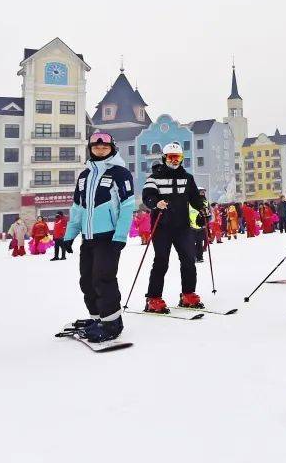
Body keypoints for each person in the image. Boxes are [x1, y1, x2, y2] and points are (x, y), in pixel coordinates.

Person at [62, 131, 136, 342]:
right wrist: (70, 235)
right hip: (89, 238)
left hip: (109, 239)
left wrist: (120, 237)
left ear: (112, 148)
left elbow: (127, 206)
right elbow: (77, 207)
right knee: (87, 281)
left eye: (104, 147)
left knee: (103, 279)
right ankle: (97, 319)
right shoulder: (85, 175)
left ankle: (112, 323)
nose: (100, 150)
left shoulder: (120, 173)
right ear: (91, 149)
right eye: (96, 147)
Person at [142, 142, 207, 313]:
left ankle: (188, 294)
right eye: (171, 157)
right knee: (161, 261)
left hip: (182, 226)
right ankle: (153, 298)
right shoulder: (154, 177)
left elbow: (194, 198)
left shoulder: (187, 177)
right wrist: (156, 202)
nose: (174, 161)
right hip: (162, 226)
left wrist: (202, 208)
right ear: (164, 158)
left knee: (188, 260)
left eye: (177, 157)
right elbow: (147, 197)